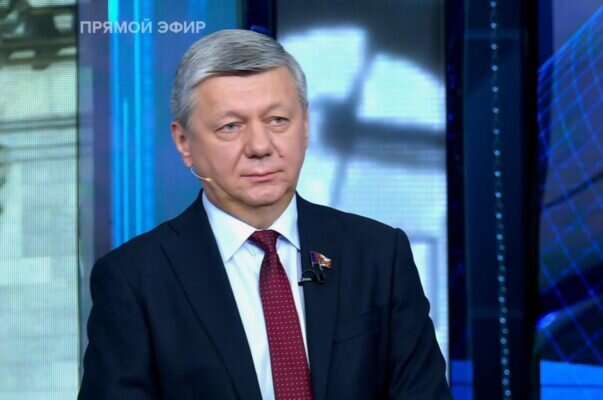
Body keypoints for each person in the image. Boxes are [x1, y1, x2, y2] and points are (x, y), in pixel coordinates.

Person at [78, 29, 451, 400]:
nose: (260, 146)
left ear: (306, 126)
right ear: (184, 142)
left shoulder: (379, 255)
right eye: (230, 127)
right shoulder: (134, 280)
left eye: (277, 120)